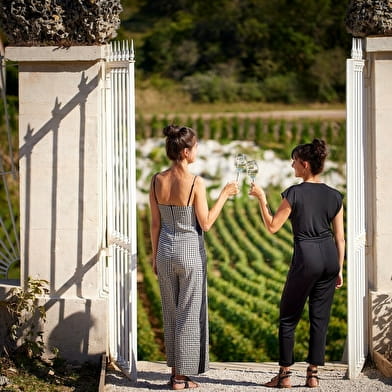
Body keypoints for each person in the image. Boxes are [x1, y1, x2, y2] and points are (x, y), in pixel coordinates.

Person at [249, 139, 345, 389]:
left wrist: (261, 197)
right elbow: (340, 237)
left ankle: (284, 376)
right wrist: (340, 268)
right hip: (330, 259)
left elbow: (272, 226)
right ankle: (313, 375)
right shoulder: (335, 196)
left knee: (288, 317)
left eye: (294, 161)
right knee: (319, 318)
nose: (292, 165)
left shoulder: (294, 192)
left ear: (304, 164)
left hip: (307, 257)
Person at [149, 125, 238, 390]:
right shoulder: (196, 182)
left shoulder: (157, 179)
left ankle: (176, 371)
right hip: (189, 253)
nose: (197, 150)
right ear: (186, 151)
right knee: (188, 314)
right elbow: (206, 223)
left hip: (164, 250)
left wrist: (155, 257)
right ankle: (180, 378)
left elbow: (155, 224)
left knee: (170, 312)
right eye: (196, 146)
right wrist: (224, 195)